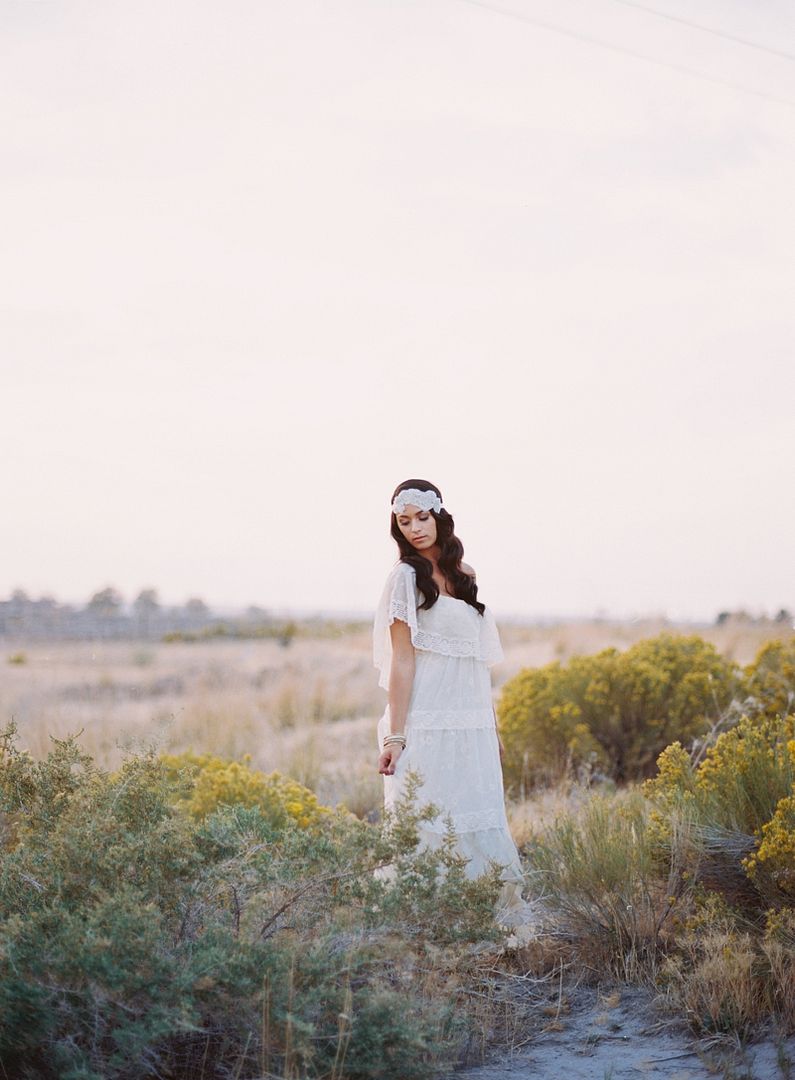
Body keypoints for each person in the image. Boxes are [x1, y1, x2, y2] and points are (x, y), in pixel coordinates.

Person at [373, 478, 537, 933]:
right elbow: (402, 661)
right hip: (426, 719)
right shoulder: (404, 578)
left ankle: (484, 916)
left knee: (476, 808)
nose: (414, 529)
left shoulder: (465, 576)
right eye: (403, 522)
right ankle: (432, 925)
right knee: (430, 815)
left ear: (439, 517)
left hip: (472, 721)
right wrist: (396, 736)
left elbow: (477, 663)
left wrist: (494, 728)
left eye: (421, 517)